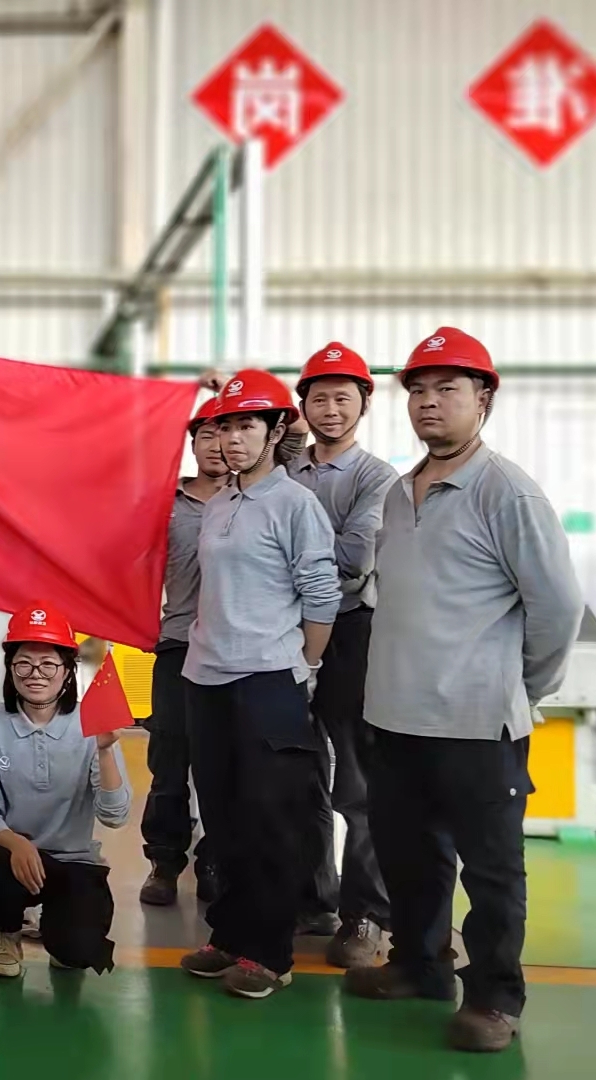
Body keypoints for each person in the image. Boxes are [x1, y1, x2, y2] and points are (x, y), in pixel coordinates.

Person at [345, 328, 582, 1053]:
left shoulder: (507, 492)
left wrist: (518, 686)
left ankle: (494, 998)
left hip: (479, 726)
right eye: (417, 390)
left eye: (447, 388)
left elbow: (557, 608)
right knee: (409, 857)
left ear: (483, 400)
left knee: (490, 872)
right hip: (395, 718)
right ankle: (420, 966)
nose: (428, 402)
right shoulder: (397, 492)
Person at [177, 368, 341, 1000]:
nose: (232, 439)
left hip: (268, 678)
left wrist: (304, 667)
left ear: (276, 431)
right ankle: (230, 935)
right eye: (224, 427)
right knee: (223, 819)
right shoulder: (219, 503)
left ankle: (270, 954)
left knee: (270, 820)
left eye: (246, 425)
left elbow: (321, 595)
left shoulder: (295, 504)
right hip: (206, 677)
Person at [289, 344, 400, 965]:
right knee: (297, 772)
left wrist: (286, 546)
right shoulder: (286, 470)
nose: (330, 409)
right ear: (303, 406)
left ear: (365, 403)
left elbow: (357, 559)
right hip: (283, 635)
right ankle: (312, 899)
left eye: (342, 398)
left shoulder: (376, 477)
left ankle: (367, 915)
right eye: (319, 398)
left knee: (358, 782)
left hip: (352, 633)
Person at [0, 603, 131, 977]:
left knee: (77, 953)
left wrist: (105, 751)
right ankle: (8, 933)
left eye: (48, 664)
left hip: (74, 859)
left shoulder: (93, 723)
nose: (35, 674)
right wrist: (16, 843)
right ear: (10, 668)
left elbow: (115, 816)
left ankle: (57, 926)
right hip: (12, 857)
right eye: (23, 664)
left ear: (67, 670)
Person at [140, 397, 225, 908]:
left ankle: (214, 860)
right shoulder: (165, 503)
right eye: (205, 435)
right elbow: (134, 567)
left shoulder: (254, 498)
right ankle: (164, 861)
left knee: (221, 764)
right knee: (169, 760)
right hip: (175, 643)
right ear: (192, 444)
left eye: (227, 431)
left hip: (234, 653)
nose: (217, 444)